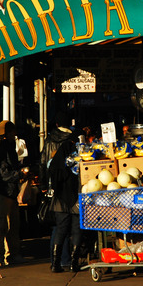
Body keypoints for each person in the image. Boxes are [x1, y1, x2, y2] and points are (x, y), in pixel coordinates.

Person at [0, 120, 28, 267]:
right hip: (1, 190)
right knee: (1, 225)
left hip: (7, 190)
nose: (15, 135)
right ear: (7, 133)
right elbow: (2, 173)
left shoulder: (3, 145)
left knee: (11, 224)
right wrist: (20, 174)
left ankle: (10, 254)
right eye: (13, 132)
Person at [39, 112, 75, 271]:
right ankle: (66, 260)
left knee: (58, 225)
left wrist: (43, 184)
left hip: (52, 185)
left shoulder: (49, 140)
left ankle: (55, 260)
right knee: (69, 224)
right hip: (69, 186)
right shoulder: (71, 139)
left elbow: (42, 162)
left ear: (56, 124)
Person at [47, 116, 82, 273]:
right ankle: (74, 263)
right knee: (76, 230)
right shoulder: (80, 154)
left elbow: (53, 174)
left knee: (61, 229)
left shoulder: (60, 156)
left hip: (60, 199)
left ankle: (55, 264)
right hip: (77, 198)